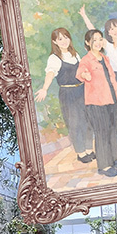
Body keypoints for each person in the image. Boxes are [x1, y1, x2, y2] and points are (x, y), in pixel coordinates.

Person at [35, 28, 96, 164]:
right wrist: (44, 88)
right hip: (68, 94)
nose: (64, 41)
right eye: (60, 39)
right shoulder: (54, 58)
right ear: (55, 42)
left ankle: (89, 149)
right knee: (75, 123)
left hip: (82, 91)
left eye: (66, 37)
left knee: (87, 120)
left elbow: (83, 71)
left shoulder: (75, 54)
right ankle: (81, 153)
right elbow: (50, 74)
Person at [79, 2, 117, 141]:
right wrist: (84, 16)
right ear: (107, 32)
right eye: (111, 29)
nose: (116, 31)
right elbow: (92, 31)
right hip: (112, 79)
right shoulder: (107, 45)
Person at [76, 29, 117, 177]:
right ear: (88, 42)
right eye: (94, 40)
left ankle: (115, 159)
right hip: (96, 103)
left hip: (111, 100)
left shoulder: (105, 58)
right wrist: (84, 75)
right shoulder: (86, 60)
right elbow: (80, 72)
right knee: (102, 132)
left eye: (100, 39)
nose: (98, 43)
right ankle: (104, 166)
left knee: (113, 130)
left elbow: (112, 80)